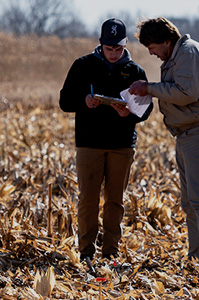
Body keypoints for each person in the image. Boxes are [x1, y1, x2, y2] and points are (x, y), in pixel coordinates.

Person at [129, 17, 199, 258]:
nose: (152, 54)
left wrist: (149, 88)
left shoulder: (188, 52)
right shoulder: (178, 55)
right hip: (186, 135)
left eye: (152, 48)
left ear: (166, 40)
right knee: (189, 202)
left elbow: (186, 93)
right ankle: (195, 256)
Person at [59, 18, 154, 261]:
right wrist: (85, 102)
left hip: (122, 145)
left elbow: (146, 110)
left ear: (125, 45)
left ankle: (111, 252)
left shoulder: (135, 71)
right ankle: (86, 252)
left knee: (115, 201)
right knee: (88, 199)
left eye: (118, 49)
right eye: (109, 48)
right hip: (89, 143)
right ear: (101, 43)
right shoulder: (83, 66)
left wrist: (128, 114)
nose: (114, 54)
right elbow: (64, 101)